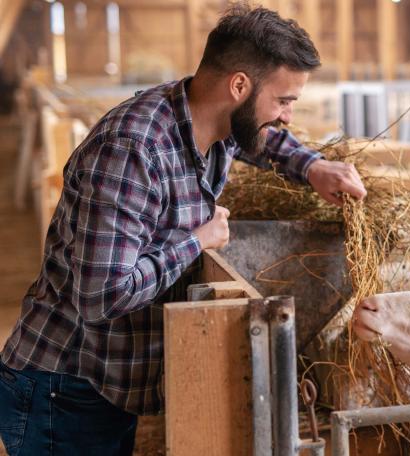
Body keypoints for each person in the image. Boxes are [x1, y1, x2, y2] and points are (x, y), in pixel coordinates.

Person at [0, 5, 365, 455]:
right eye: (284, 100)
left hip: (108, 385)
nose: (288, 115)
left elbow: (262, 137)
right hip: (65, 387)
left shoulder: (211, 120)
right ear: (239, 85)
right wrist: (197, 241)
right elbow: (101, 296)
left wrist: (314, 168)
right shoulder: (134, 152)